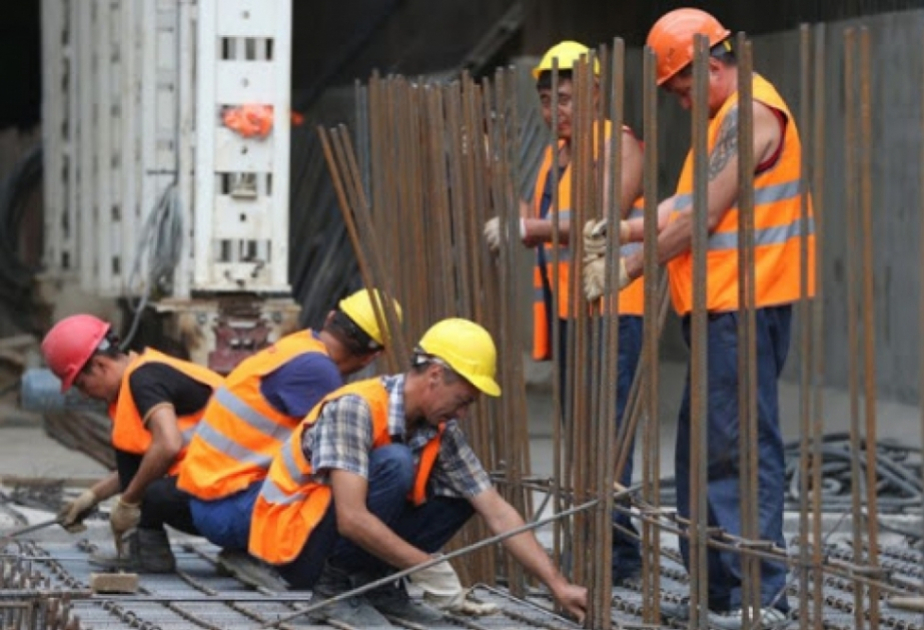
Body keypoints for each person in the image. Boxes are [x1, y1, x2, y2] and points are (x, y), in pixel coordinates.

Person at [588, 8, 815, 629]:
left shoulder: (750, 115)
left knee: (737, 449)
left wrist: (628, 269)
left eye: (681, 88)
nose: (680, 101)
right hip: (718, 309)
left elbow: (697, 222)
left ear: (708, 65)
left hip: (744, 306)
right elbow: (681, 206)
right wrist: (625, 229)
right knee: (700, 452)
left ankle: (761, 597)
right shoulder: (722, 122)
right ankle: (717, 592)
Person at [248, 318, 587, 628]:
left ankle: (374, 585)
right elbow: (351, 518)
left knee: (462, 497)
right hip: (295, 546)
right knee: (396, 463)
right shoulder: (356, 408)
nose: (464, 413)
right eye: (464, 400)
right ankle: (333, 591)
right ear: (436, 375)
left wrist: (558, 585)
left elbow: (497, 511)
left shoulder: (440, 427)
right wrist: (426, 566)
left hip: (334, 534)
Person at [484, 40, 646, 584]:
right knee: (582, 440)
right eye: (550, 100)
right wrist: (491, 168)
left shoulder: (618, 145)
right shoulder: (555, 156)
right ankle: (598, 547)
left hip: (615, 309)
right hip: (574, 313)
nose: (558, 110)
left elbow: (602, 216)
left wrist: (527, 229)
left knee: (608, 437)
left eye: (569, 98)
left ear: (598, 93)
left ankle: (617, 556)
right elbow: (529, 219)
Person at [176, 289, 400, 588]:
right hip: (230, 509)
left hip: (214, 500)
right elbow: (346, 459)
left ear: (331, 317)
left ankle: (251, 551)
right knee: (355, 482)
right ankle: (276, 558)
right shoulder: (319, 373)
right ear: (372, 356)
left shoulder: (299, 346)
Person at [43, 314, 224, 572]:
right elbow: (146, 461)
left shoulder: (144, 379)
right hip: (220, 480)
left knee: (148, 490)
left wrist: (128, 501)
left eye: (82, 384)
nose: (85, 394)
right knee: (138, 470)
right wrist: (92, 496)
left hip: (234, 490)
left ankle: (153, 549)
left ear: (100, 365)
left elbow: (168, 445)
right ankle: (150, 551)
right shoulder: (139, 378)